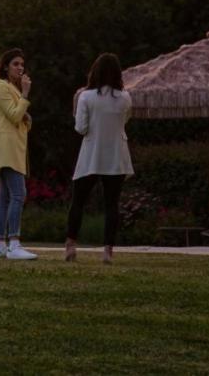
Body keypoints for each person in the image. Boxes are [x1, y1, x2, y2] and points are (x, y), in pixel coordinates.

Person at [65, 53, 133, 264]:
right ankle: (107, 251)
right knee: (112, 204)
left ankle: (70, 245)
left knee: (78, 201)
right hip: (116, 155)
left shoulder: (86, 97)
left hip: (91, 156)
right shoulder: (125, 98)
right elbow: (125, 120)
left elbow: (81, 128)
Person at [0, 48, 37, 260]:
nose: (20, 68)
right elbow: (15, 116)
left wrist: (25, 114)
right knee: (18, 194)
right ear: (6, 66)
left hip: (12, 147)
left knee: (5, 196)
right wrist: (25, 95)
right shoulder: (1, 87)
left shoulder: (11, 89)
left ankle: (0, 244)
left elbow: (21, 119)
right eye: (16, 64)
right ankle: (14, 244)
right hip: (6, 147)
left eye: (22, 64)